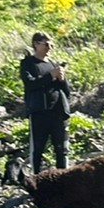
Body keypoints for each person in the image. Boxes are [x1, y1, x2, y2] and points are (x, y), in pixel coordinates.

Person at [20, 31, 71, 172]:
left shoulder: (53, 64)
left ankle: (63, 178)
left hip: (58, 112)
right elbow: (30, 84)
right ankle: (38, 179)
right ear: (36, 44)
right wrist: (50, 76)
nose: (49, 47)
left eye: (51, 44)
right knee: (38, 148)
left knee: (62, 148)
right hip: (39, 112)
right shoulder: (28, 63)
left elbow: (66, 91)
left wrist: (62, 79)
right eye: (46, 44)